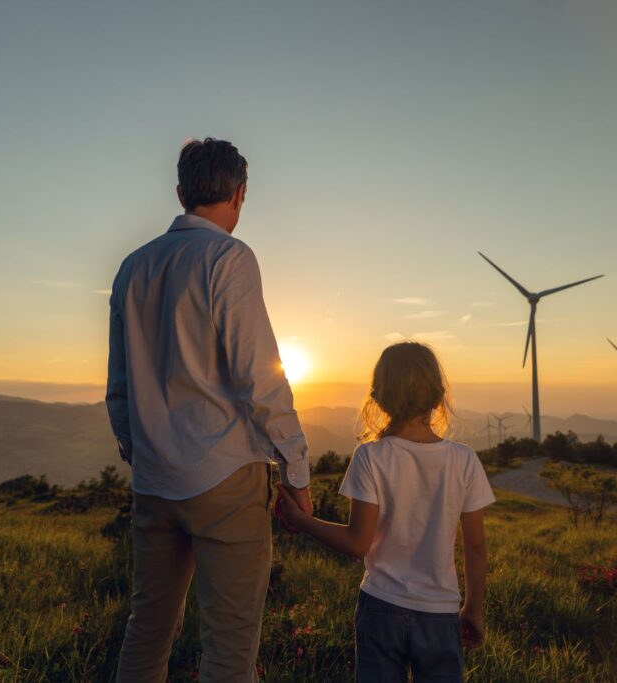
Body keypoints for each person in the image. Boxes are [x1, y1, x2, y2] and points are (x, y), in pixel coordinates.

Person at [105, 137, 312, 683]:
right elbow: (260, 378)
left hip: (153, 482)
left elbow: (119, 388)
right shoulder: (229, 258)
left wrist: (141, 450)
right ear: (240, 194)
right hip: (224, 477)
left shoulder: (132, 267)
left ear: (180, 192)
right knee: (228, 645)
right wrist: (296, 467)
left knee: (147, 631)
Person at [276, 342, 494, 682]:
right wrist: (474, 609)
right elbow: (476, 547)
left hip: (381, 608)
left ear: (377, 398)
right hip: (439, 613)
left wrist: (303, 521)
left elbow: (357, 542)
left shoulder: (370, 457)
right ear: (439, 396)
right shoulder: (464, 460)